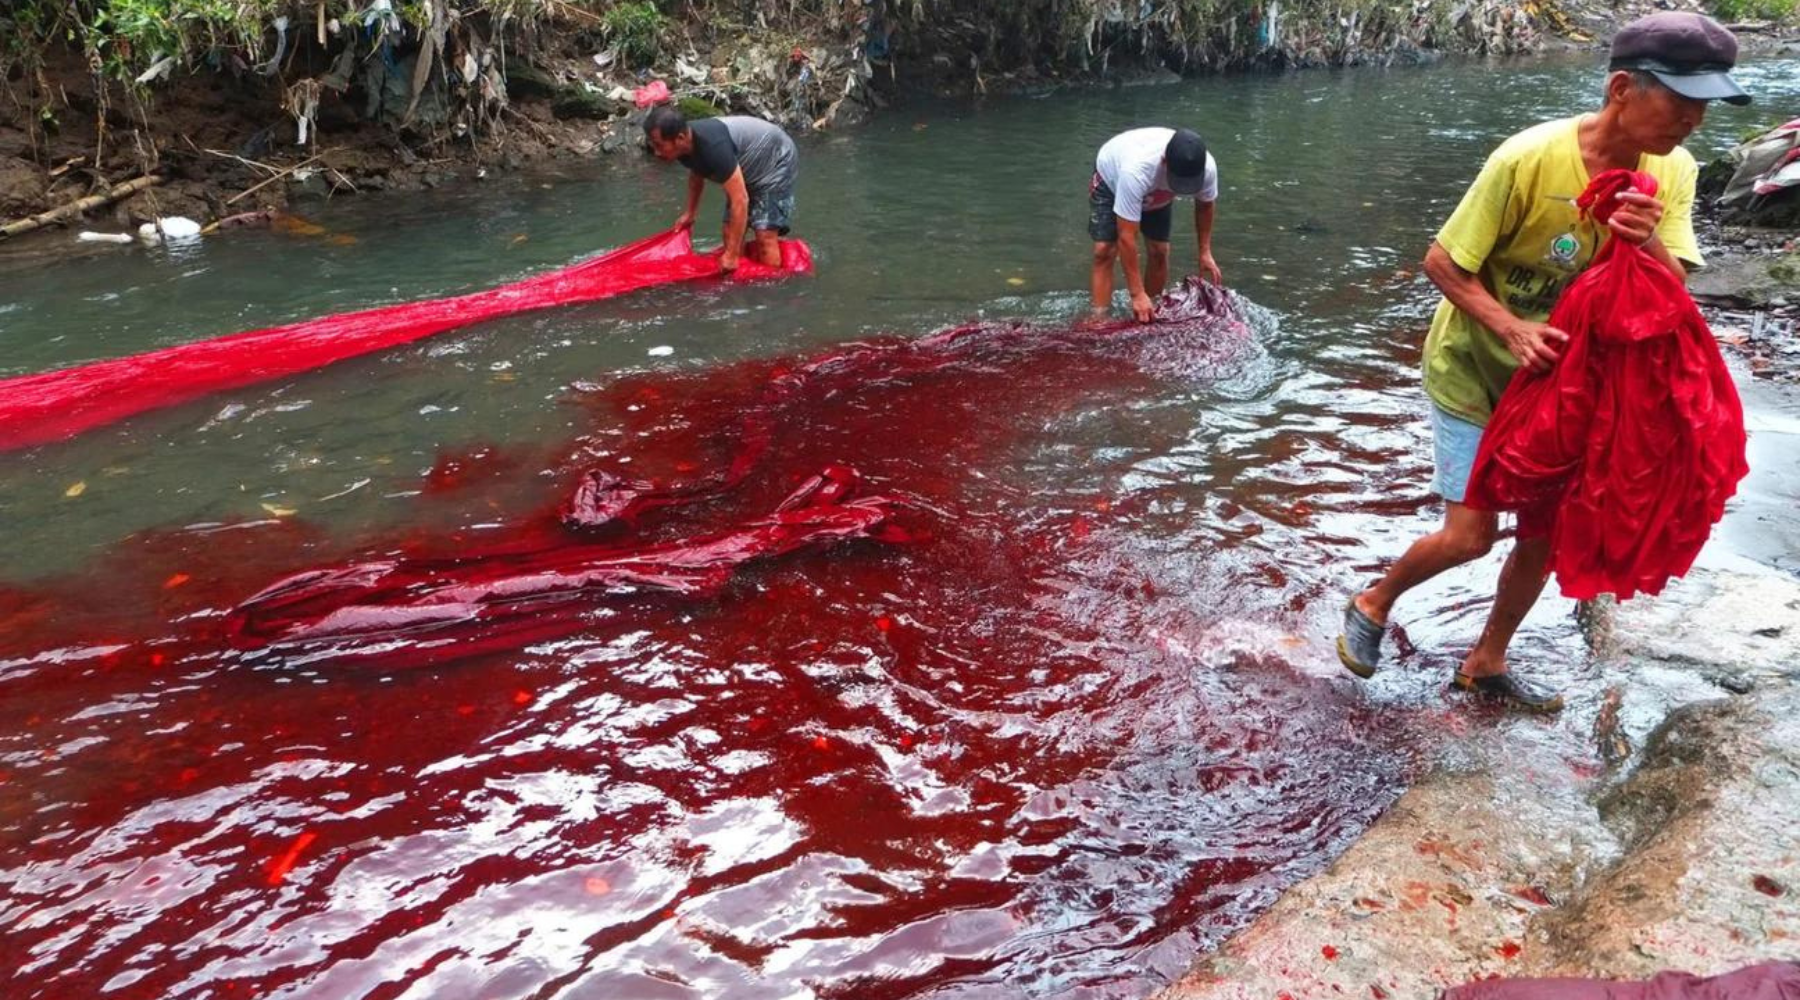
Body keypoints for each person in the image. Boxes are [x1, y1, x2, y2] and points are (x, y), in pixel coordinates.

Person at [1335, 11, 1750, 712]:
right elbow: (1443, 262)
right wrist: (1514, 329)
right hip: (1477, 367)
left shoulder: (1673, 171)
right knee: (1471, 536)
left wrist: (1643, 241)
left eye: (1706, 103)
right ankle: (1375, 601)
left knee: (1542, 535)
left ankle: (1485, 663)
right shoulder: (1527, 158)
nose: (1694, 119)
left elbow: (1673, 286)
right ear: (1622, 88)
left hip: (1570, 387)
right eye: (1681, 100)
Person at [1089, 126, 1222, 322]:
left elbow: (1205, 206)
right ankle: (1098, 318)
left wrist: (1204, 252)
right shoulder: (1136, 170)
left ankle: (1149, 312)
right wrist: (1135, 293)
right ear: (1164, 161)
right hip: (1112, 180)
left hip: (1157, 190)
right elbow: (1127, 236)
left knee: (1159, 251)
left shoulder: (1207, 167)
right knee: (1104, 250)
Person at [643, 109, 798, 272]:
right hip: (745, 165)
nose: (656, 152)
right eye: (654, 145)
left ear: (680, 138)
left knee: (764, 236)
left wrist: (730, 255)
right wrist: (690, 213)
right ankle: (742, 281)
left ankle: (773, 288)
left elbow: (740, 200)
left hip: (775, 159)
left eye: (659, 145)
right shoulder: (684, 147)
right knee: (729, 234)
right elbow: (696, 175)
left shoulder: (713, 148)